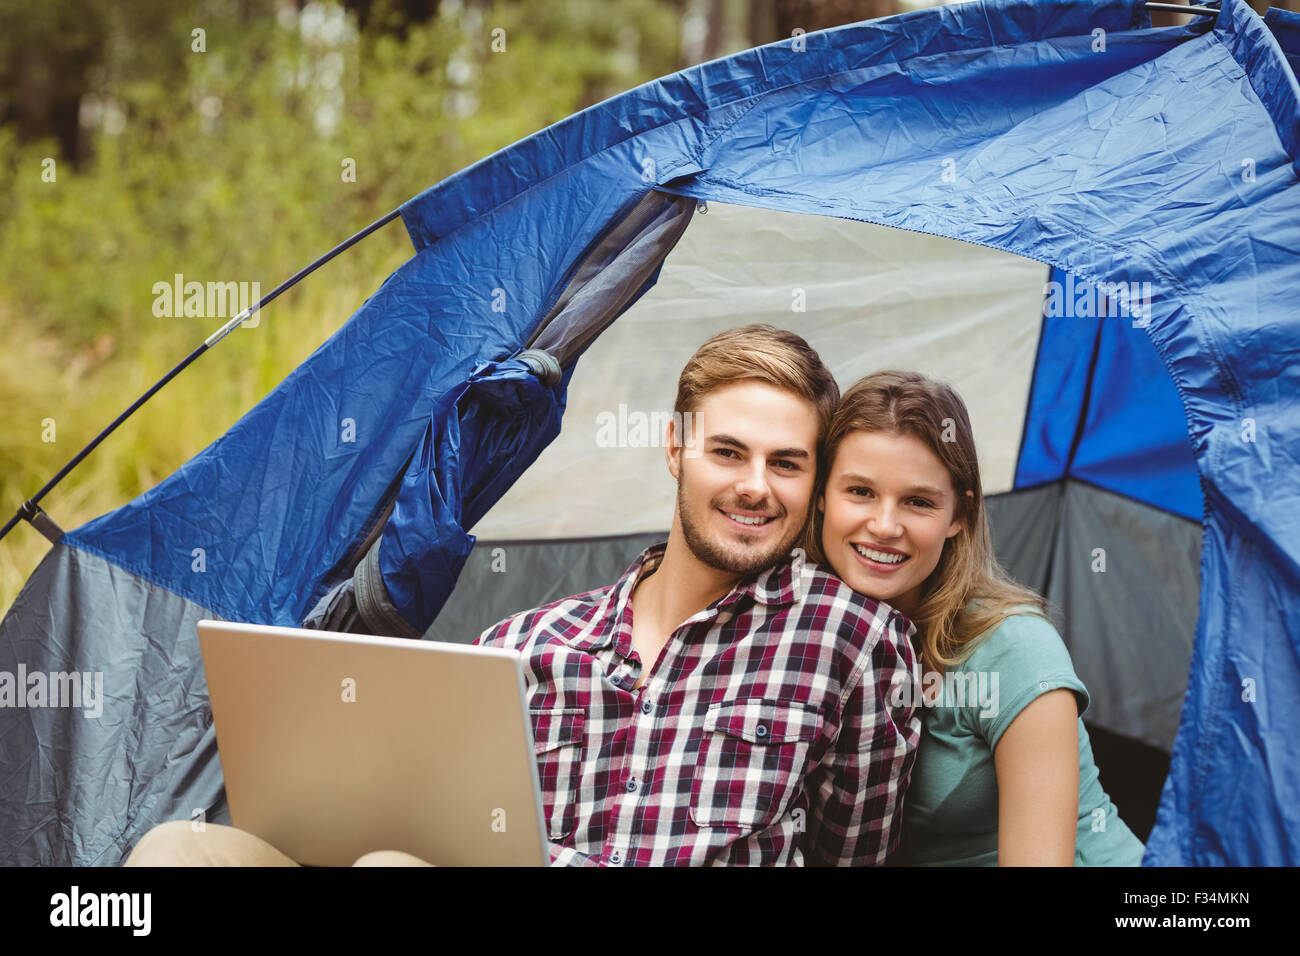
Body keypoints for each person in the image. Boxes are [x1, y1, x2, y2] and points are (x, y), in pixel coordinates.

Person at [125, 325, 922, 867]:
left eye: (786, 463)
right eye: (727, 452)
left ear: (814, 481)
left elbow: (852, 856)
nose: (755, 486)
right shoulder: (528, 643)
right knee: (183, 851)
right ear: (676, 449)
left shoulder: (852, 641)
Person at [803, 369, 1145, 866]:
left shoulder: (1015, 649)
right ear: (820, 495)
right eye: (860, 491)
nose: (883, 525)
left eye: (918, 502)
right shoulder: (799, 631)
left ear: (958, 515)